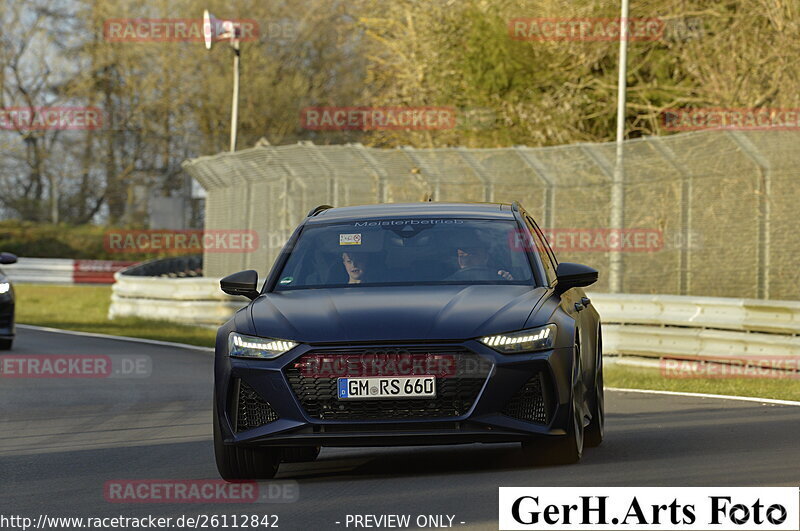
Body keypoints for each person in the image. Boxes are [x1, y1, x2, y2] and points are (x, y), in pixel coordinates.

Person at [446, 241, 514, 281]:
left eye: (473, 254)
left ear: (485, 257)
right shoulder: (446, 284)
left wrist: (508, 280)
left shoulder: (499, 279)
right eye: (462, 255)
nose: (467, 259)